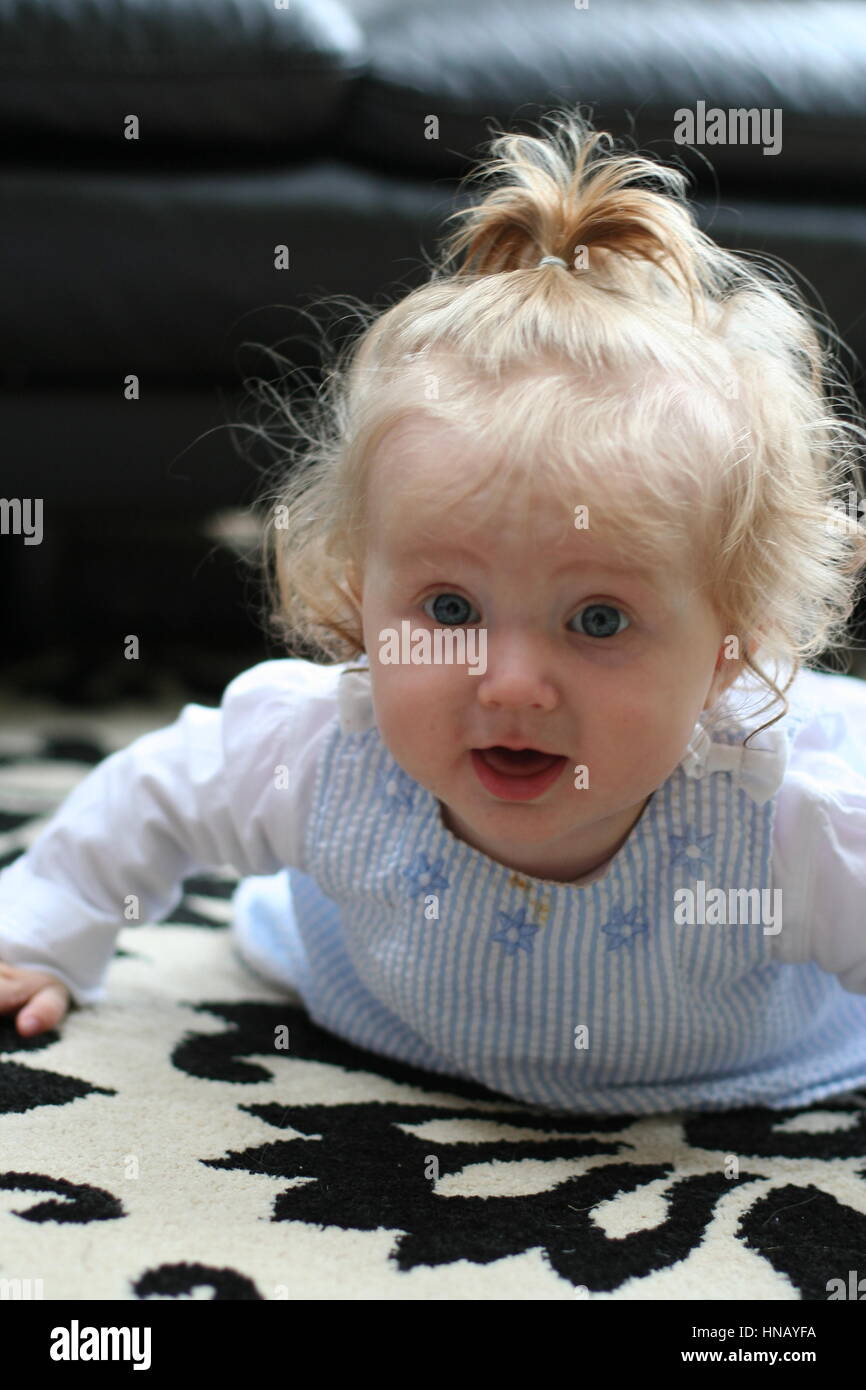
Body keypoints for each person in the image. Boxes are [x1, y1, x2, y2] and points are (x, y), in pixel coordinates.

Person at [3, 108, 866, 1115]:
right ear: (357, 596)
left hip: (724, 1064)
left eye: (597, 620)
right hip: (385, 1004)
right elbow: (153, 794)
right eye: (449, 606)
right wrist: (38, 933)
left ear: (733, 650)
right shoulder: (319, 756)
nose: (507, 684)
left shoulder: (785, 834)